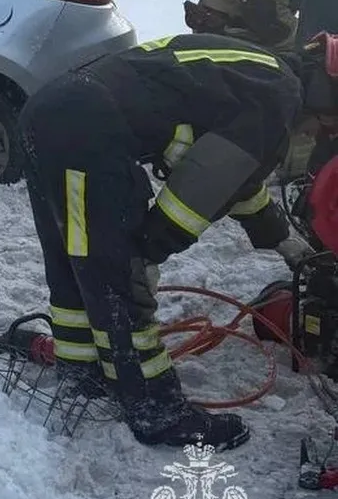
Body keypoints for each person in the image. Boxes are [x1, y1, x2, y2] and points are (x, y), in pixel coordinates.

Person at [19, 33, 338, 451]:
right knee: (119, 276)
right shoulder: (277, 99)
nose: (323, 132)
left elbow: (239, 179)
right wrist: (148, 251)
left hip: (50, 113)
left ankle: (82, 369)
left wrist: (283, 240)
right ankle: (158, 412)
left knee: (74, 258)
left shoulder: (259, 71)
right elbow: (201, 186)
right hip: (90, 128)